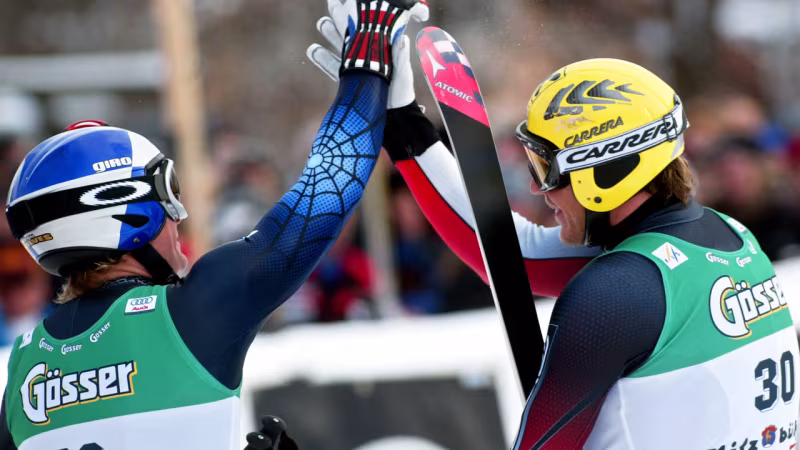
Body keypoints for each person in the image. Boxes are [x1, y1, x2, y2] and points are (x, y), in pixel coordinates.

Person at [309, 43, 800, 448]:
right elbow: (510, 256)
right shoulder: (729, 237)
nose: (538, 190)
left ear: (606, 170)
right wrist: (403, 124)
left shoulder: (617, 292)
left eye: (547, 169)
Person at [0, 0, 428, 448]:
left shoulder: (24, 368)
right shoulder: (190, 312)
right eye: (168, 194)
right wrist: (369, 58)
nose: (178, 218)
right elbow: (328, 190)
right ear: (126, 212)